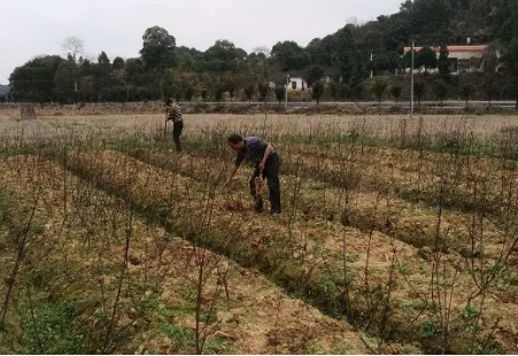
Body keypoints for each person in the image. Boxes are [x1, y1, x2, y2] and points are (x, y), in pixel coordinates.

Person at [225, 134, 281, 215]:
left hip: (271, 159)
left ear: (239, 142)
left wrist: (263, 161)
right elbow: (236, 165)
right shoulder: (241, 151)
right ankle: (259, 206)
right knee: (253, 183)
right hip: (260, 162)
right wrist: (229, 178)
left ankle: (276, 210)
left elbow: (269, 147)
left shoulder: (253, 142)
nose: (233, 149)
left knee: (272, 183)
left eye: (233, 147)